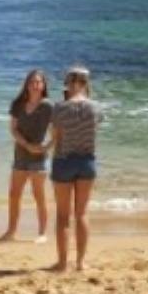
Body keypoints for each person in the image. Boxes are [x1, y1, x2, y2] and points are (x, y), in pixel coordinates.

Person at [47, 66, 101, 272]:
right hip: (86, 161)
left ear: (68, 84)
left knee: (63, 216)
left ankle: (62, 263)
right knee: (82, 214)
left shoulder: (59, 108)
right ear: (86, 84)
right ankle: (81, 262)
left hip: (64, 161)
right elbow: (95, 130)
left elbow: (56, 135)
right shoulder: (95, 107)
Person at [0, 69, 53, 243]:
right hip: (20, 155)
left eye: (39, 82)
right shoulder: (18, 104)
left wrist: (48, 147)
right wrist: (27, 145)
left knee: (39, 195)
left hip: (39, 158)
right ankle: (11, 231)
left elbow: (58, 131)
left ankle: (42, 233)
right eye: (32, 82)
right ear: (27, 85)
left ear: (43, 85)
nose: (35, 85)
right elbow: (13, 129)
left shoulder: (48, 106)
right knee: (14, 194)